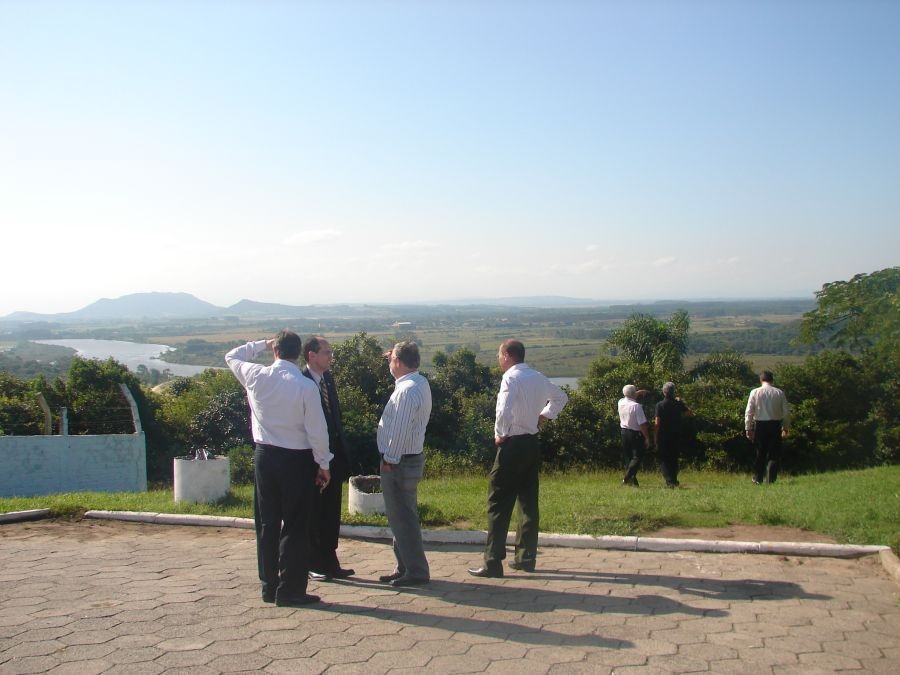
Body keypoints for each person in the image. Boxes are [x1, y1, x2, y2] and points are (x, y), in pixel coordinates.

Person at [225, 331, 332, 607]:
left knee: (267, 523)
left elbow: (232, 356)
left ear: (275, 350)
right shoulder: (305, 386)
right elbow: (317, 430)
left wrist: (261, 343)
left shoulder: (256, 376)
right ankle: (291, 588)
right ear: (298, 353)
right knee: (296, 525)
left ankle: (269, 585)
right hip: (297, 458)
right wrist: (323, 463)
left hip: (265, 455)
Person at [468, 339, 568, 578]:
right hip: (531, 443)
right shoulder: (538, 377)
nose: (498, 359)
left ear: (507, 355)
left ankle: (493, 562)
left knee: (498, 503)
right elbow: (561, 397)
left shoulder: (510, 378)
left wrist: (500, 434)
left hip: (512, 444)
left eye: (499, 355)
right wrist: (544, 415)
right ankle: (526, 558)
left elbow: (503, 409)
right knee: (528, 502)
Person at [377, 341, 433, 588]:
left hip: (399, 462)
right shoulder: (419, 383)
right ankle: (404, 566)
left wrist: (389, 459)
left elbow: (398, 431)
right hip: (409, 458)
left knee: (402, 518)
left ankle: (416, 571)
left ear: (398, 362)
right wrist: (396, 358)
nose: (389, 363)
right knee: (401, 515)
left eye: (392, 360)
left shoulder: (406, 391)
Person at [301, 336, 355, 581]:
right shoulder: (302, 381)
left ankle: (330, 560)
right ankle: (313, 563)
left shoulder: (328, 380)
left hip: (334, 456)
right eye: (326, 352)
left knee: (331, 511)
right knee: (314, 511)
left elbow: (335, 418)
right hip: (313, 459)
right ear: (311, 355)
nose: (331, 356)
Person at [745, 370, 790, 484]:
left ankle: (757, 478)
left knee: (760, 453)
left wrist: (748, 428)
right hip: (775, 425)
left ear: (761, 380)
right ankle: (770, 480)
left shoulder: (755, 392)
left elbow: (749, 412)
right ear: (772, 380)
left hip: (760, 425)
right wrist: (785, 427)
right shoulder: (779, 392)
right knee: (774, 453)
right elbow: (786, 413)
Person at [655, 382, 690, 488]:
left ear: (663, 392)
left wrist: (655, 435)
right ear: (673, 392)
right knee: (674, 458)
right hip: (676, 434)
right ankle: (674, 480)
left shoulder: (660, 405)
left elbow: (657, 422)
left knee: (664, 458)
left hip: (663, 435)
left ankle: (669, 481)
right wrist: (681, 402)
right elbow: (689, 413)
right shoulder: (678, 403)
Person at [619, 384, 651, 486]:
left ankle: (632, 482)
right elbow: (642, 424)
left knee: (629, 457)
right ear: (633, 393)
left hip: (624, 432)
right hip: (635, 433)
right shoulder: (636, 406)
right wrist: (647, 438)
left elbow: (629, 396)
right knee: (638, 456)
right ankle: (627, 477)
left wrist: (638, 392)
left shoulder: (620, 402)